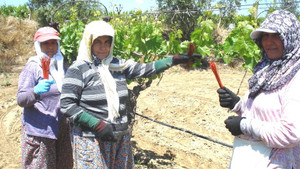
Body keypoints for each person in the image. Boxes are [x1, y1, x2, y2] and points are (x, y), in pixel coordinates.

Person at [60, 20, 199, 168]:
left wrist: (173, 60)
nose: (103, 47)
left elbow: (145, 69)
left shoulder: (117, 65)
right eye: (98, 42)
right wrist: (97, 125)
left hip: (119, 138)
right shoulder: (78, 69)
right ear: (89, 42)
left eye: (107, 42)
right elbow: (67, 105)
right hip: (91, 139)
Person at [217, 10, 300, 168]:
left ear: (289, 37)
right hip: (255, 158)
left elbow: (291, 133)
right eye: (265, 36)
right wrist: (238, 104)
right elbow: (262, 112)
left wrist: (244, 126)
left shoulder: (296, 76)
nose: (269, 42)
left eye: (276, 35)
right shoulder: (267, 69)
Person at [17, 26, 73, 169]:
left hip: (61, 129)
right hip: (40, 131)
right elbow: (21, 99)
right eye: (45, 43)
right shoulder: (33, 67)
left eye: (53, 42)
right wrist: (35, 91)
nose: (50, 46)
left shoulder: (60, 66)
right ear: (38, 45)